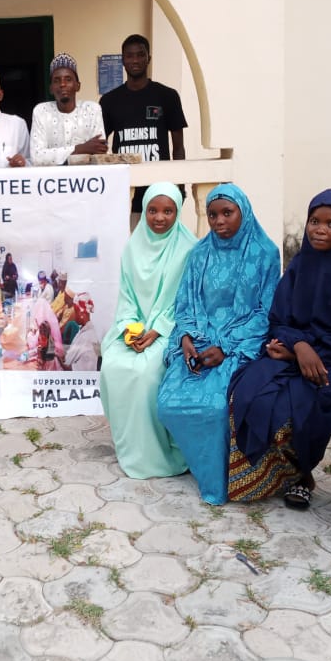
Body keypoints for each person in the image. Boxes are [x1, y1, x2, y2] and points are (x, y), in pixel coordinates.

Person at [227, 190, 331, 509]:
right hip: (297, 354)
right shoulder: (302, 264)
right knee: (248, 387)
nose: (319, 230)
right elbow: (278, 319)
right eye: (314, 221)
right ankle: (257, 476)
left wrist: (305, 352)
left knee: (295, 403)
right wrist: (297, 347)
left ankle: (302, 475)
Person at [156, 185, 280, 504]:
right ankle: (200, 466)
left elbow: (265, 312)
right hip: (200, 338)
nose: (219, 221)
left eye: (227, 213)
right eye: (212, 215)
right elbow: (185, 303)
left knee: (215, 407)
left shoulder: (265, 253)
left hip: (241, 342)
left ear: (244, 212)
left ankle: (223, 479)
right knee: (168, 402)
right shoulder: (200, 253)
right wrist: (185, 337)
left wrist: (225, 348)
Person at [100, 183, 197, 479]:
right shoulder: (133, 247)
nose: (159, 218)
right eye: (153, 210)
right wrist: (131, 329)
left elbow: (188, 300)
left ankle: (158, 453)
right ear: (143, 211)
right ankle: (130, 447)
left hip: (173, 329)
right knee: (113, 365)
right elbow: (127, 297)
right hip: (136, 327)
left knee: (145, 374)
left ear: (178, 212)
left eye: (168, 211)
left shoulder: (189, 249)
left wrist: (157, 330)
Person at [100, 34, 188, 215]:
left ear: (149, 58)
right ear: (123, 60)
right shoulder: (109, 101)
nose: (135, 60)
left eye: (140, 55)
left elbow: (178, 147)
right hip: (124, 186)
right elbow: (100, 146)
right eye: (129, 56)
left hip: (159, 188)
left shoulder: (167, 96)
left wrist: (180, 185)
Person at [30, 53, 107, 166]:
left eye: (68, 79)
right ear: (51, 88)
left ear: (78, 86)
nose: (62, 84)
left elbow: (100, 151)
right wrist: (80, 148)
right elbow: (37, 157)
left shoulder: (92, 109)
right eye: (57, 80)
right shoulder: (41, 111)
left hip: (86, 176)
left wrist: (56, 156)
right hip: (53, 177)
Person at [65, 295, 102, 372]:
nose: (74, 315)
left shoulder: (85, 337)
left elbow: (67, 361)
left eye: (75, 312)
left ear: (81, 313)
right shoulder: (93, 333)